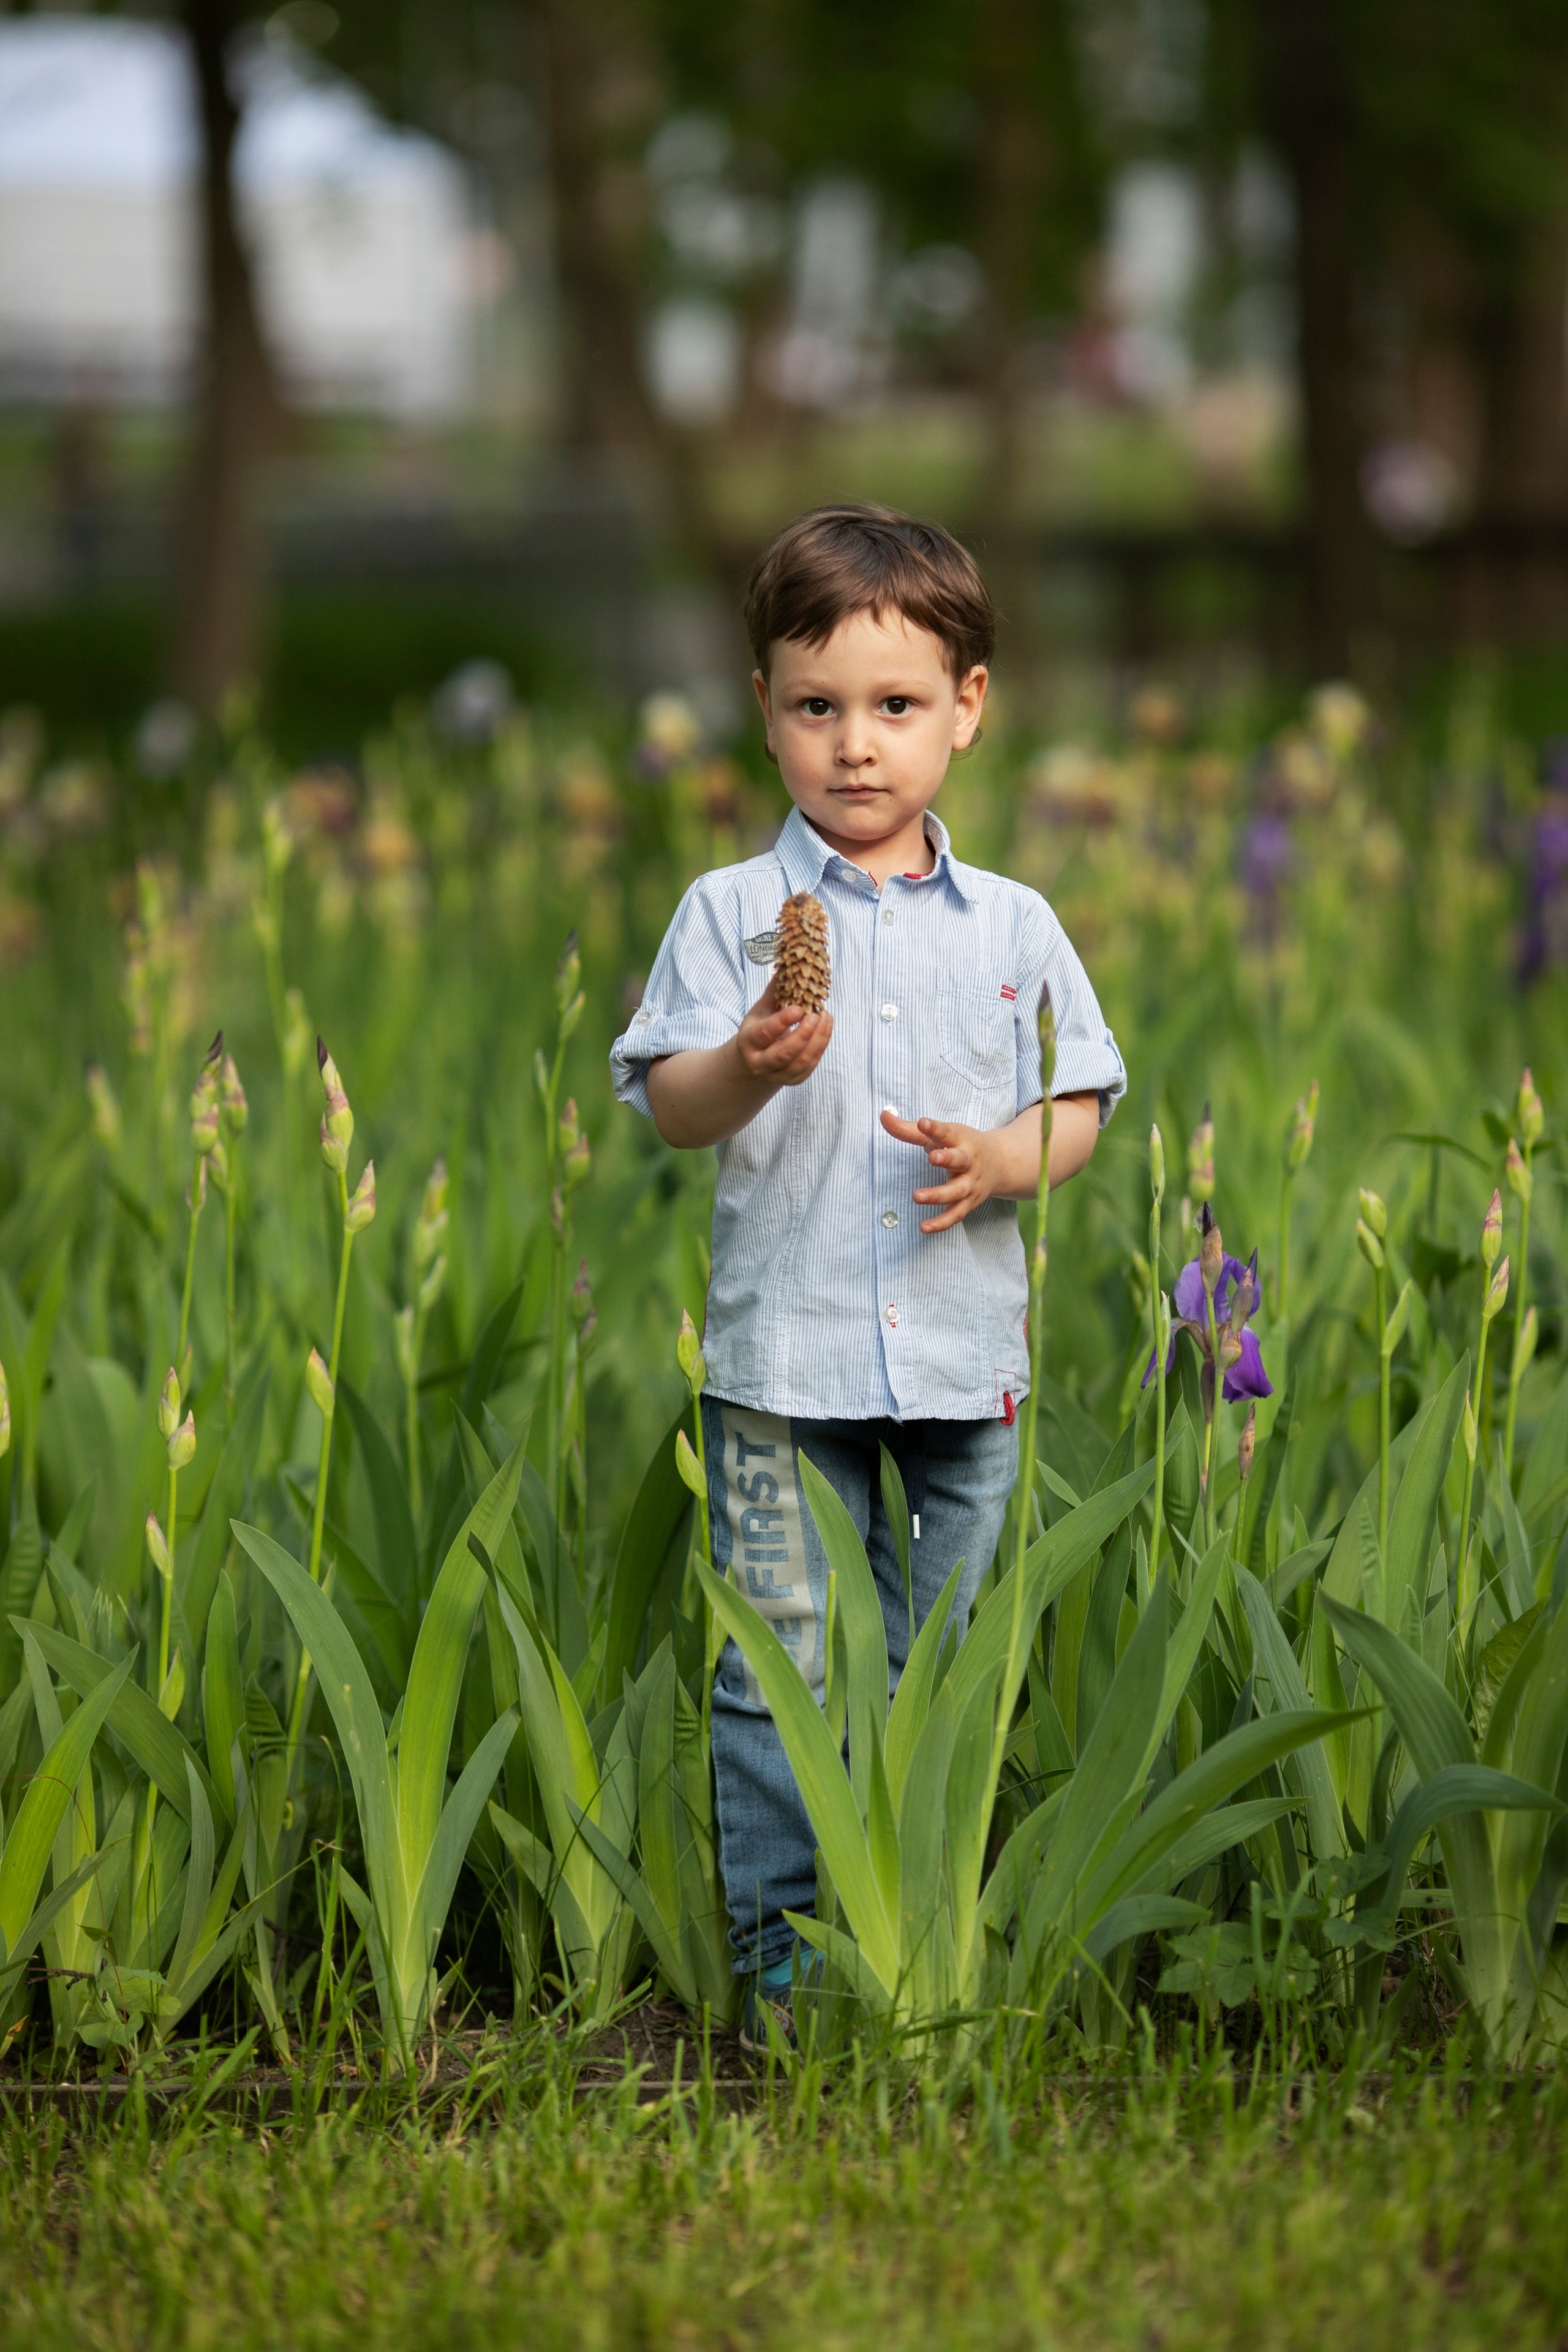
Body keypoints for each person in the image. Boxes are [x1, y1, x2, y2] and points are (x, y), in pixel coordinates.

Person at [609, 503, 1125, 2049]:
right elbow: (666, 1104)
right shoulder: (730, 915)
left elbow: (1082, 1100)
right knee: (775, 1674)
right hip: (780, 1375)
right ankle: (780, 1974)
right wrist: (749, 1065)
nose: (854, 746)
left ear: (966, 709)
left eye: (894, 707)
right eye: (816, 706)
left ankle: (924, 1937)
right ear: (761, 709)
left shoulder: (1014, 926)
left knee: (950, 1659)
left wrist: (1007, 1160)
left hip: (964, 1361)